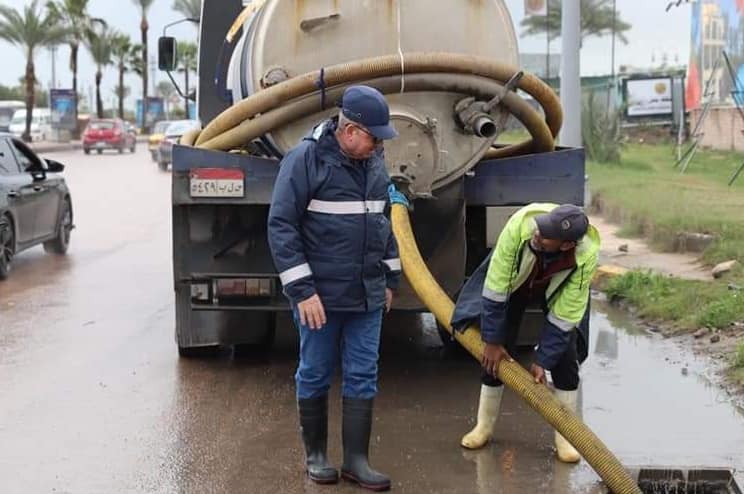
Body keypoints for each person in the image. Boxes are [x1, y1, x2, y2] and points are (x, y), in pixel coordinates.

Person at [267, 85, 401, 491]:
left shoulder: (374, 162)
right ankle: (317, 456)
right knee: (316, 372)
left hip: (366, 296)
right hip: (319, 299)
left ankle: (357, 461)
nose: (378, 144)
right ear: (349, 131)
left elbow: (382, 222)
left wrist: (389, 279)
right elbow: (281, 226)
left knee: (363, 373)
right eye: (373, 136)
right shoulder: (305, 161)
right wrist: (303, 291)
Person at [451, 203, 599, 463]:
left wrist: (543, 361)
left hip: (556, 290)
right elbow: (496, 289)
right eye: (541, 227)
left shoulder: (584, 256)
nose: (538, 234)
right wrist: (493, 340)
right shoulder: (522, 226)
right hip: (515, 283)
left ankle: (565, 437)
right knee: (493, 354)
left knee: (566, 355)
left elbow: (565, 316)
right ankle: (483, 427)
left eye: (546, 235)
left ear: (565, 245)